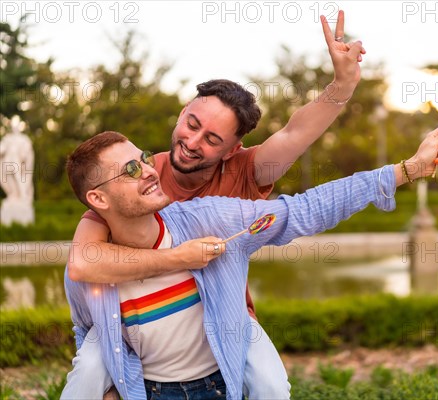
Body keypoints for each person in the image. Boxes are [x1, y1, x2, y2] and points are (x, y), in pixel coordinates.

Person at [61, 11, 366, 400]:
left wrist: (342, 84)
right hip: (142, 318)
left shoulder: (248, 172)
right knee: (92, 370)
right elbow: (84, 261)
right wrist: (181, 257)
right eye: (191, 123)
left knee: (271, 385)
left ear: (232, 150)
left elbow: (295, 132)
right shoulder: (139, 178)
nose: (192, 141)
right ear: (182, 111)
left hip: (223, 309)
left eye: (211, 139)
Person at [64, 124, 438, 399]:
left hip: (218, 389)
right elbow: (88, 331)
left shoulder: (209, 219)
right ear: (98, 199)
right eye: (131, 170)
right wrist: (110, 387)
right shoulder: (90, 271)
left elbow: (305, 209)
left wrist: (407, 170)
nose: (150, 170)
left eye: (144, 158)